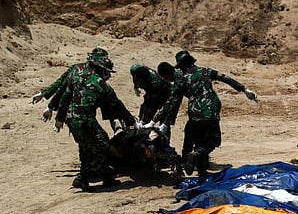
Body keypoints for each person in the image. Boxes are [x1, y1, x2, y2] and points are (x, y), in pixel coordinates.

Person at [154, 50, 257, 178]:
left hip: (195, 111)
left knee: (197, 137)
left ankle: (196, 164)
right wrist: (244, 89)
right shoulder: (205, 71)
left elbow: (172, 102)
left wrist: (162, 122)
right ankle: (198, 155)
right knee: (213, 140)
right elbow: (225, 78)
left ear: (180, 66)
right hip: (211, 109)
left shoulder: (181, 79)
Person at [54, 54, 136, 190]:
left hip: (71, 119)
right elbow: (117, 105)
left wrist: (60, 117)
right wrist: (131, 121)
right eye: (107, 72)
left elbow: (65, 97)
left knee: (85, 146)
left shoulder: (77, 78)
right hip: (84, 120)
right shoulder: (102, 85)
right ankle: (83, 177)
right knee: (103, 145)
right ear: (101, 69)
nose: (107, 75)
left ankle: (107, 177)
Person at [30, 47, 110, 123]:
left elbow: (60, 84)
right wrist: (48, 102)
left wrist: (46, 99)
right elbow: (62, 86)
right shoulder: (82, 71)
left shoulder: (76, 67)